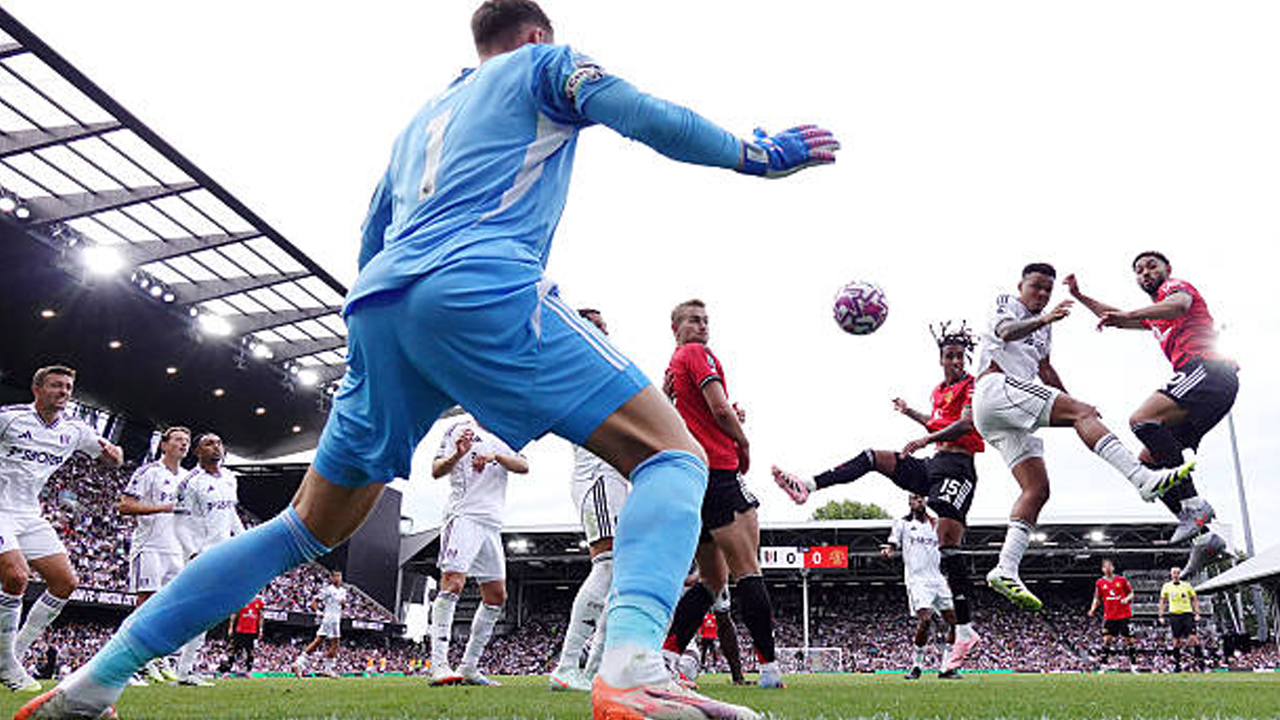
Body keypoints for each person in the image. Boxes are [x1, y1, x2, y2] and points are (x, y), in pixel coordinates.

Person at [18, 1, 836, 717]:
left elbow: (373, 233)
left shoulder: (421, 122)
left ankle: (97, 679)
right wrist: (754, 152)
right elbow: (643, 112)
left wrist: (382, 333)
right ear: (535, 32)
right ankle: (631, 669)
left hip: (379, 307)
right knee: (673, 456)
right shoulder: (549, 63)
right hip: (479, 284)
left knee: (302, 527)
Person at [971, 263, 1195, 611]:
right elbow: (1007, 331)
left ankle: (1005, 568)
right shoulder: (1007, 304)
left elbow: (1044, 371)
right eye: (1036, 287)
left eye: (1048, 289)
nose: (1042, 295)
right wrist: (1079, 411)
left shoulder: (1045, 331)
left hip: (1005, 414)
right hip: (996, 390)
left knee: (1037, 489)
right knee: (1082, 413)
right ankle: (1142, 479)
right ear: (1021, 285)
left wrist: (1072, 405)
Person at [771, 321, 983, 670]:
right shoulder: (937, 391)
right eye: (950, 356)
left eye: (960, 356)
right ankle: (808, 485)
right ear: (941, 359)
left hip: (958, 468)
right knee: (873, 457)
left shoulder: (972, 386)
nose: (956, 361)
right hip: (934, 464)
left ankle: (965, 628)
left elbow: (965, 425)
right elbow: (936, 421)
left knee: (947, 541)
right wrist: (911, 414)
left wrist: (924, 440)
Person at [1065, 252, 1236, 574]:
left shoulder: (1176, 288)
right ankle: (1204, 538)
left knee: (1142, 419)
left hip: (1210, 370)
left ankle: (1195, 506)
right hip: (1205, 386)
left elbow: (1179, 305)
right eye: (1139, 271)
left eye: (1151, 267)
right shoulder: (1156, 314)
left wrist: (1129, 312)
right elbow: (1115, 316)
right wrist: (1080, 296)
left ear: (1166, 270)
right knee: (1147, 462)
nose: (1145, 273)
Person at [661, 299, 783, 689]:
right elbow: (719, 409)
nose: (702, 326)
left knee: (712, 580)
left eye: (706, 321)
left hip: (691, 477)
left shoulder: (672, 368)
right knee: (748, 568)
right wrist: (742, 442)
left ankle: (667, 657)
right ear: (675, 326)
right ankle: (768, 670)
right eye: (693, 320)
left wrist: (726, 418)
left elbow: (687, 416)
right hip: (719, 472)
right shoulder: (697, 354)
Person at [0, 365, 122, 694]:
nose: (64, 391)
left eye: (68, 387)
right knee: (15, 576)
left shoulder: (74, 430)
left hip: (29, 512)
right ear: (37, 388)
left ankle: (15, 653)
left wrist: (114, 455)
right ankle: (6, 664)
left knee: (65, 582)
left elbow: (114, 457)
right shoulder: (9, 418)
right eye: (56, 385)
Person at [549, 309, 631, 693]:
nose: (606, 333)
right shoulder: (577, 369)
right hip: (597, 478)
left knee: (618, 576)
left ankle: (594, 670)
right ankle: (567, 667)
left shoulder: (601, 372)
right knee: (608, 566)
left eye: (607, 327)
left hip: (614, 479)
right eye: (599, 326)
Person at [428, 418, 527, 687]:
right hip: (463, 516)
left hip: (492, 523)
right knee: (452, 583)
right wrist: (458, 454)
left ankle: (469, 666)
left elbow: (524, 465)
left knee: (496, 596)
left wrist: (495, 455)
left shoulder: (507, 431)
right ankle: (439, 665)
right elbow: (436, 470)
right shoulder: (458, 429)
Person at [170, 433, 245, 687]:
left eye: (219, 442)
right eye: (208, 443)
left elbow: (231, 513)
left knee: (207, 614)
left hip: (225, 554)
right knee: (196, 612)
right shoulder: (189, 482)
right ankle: (177, 667)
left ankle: (185, 669)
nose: (216, 446)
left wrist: (244, 541)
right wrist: (193, 554)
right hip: (201, 555)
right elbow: (179, 523)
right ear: (197, 452)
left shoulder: (230, 478)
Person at [116, 426, 190, 685]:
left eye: (187, 441)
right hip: (150, 546)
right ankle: (131, 663)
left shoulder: (189, 477)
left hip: (176, 550)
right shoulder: (148, 472)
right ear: (164, 445)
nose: (184, 444)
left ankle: (158, 658)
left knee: (169, 606)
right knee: (145, 604)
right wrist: (163, 507)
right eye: (178, 440)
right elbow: (124, 505)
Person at [882, 494, 959, 680]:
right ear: (909, 502)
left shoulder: (936, 523)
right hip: (917, 580)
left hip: (938, 579)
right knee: (925, 619)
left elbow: (946, 550)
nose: (918, 502)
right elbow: (893, 543)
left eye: (921, 498)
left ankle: (945, 668)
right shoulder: (903, 523)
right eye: (914, 498)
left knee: (955, 623)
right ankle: (916, 667)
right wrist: (889, 551)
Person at [292, 570, 347, 678]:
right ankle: (327, 669)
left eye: (339, 576)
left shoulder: (343, 591)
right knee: (333, 643)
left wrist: (343, 604)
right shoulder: (328, 590)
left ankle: (299, 663)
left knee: (320, 642)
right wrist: (318, 611)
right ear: (332, 578)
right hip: (330, 619)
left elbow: (342, 607)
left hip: (336, 618)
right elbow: (315, 601)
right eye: (335, 576)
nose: (338, 578)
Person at [1088, 559, 1136, 670]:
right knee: (1107, 640)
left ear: (1113, 568)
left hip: (1124, 615)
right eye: (1105, 567)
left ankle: (1134, 665)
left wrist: (1126, 599)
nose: (1108, 568)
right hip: (1110, 616)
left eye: (1110, 566)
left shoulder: (1121, 580)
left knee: (1130, 640)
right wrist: (1092, 609)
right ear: (1103, 569)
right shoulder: (1100, 583)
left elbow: (1131, 593)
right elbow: (1097, 598)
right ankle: (1104, 665)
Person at [1159, 566, 1204, 673]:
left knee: (1193, 638)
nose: (1175, 574)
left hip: (1187, 614)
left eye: (1177, 573)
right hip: (1174, 615)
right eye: (1173, 573)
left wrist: (1197, 613)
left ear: (1180, 574)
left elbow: (1194, 599)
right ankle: (1177, 665)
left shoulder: (1187, 585)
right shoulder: (1166, 586)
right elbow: (1163, 601)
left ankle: (1200, 662)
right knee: (1176, 641)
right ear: (1171, 574)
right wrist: (1161, 615)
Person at [218, 595, 265, 677]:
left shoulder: (258, 602)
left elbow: (261, 617)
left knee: (250, 651)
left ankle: (248, 671)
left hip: (252, 631)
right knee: (233, 649)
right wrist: (231, 627)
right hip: (240, 630)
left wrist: (260, 629)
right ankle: (228, 670)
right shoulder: (242, 600)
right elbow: (234, 614)